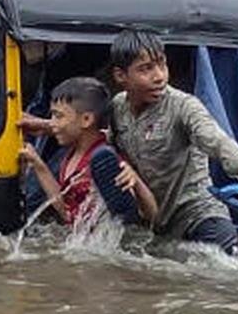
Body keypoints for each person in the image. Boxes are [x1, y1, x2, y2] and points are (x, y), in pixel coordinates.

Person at [110, 30, 238, 254]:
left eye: (162, 65)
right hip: (155, 223)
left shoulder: (183, 106)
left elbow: (215, 139)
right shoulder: (117, 108)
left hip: (199, 214)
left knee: (229, 267)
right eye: (146, 69)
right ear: (121, 76)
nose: (159, 76)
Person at [20, 77, 157, 227]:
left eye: (58, 116)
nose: (52, 123)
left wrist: (135, 181)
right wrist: (37, 163)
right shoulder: (70, 156)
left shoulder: (106, 160)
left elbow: (150, 214)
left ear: (86, 119)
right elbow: (67, 212)